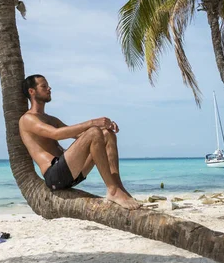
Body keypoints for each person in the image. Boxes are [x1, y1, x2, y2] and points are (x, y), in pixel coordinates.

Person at [19, 74, 141, 210]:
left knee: (107, 135)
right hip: (55, 175)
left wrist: (105, 127)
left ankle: (119, 188)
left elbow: (80, 135)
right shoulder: (27, 119)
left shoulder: (51, 119)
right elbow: (56, 134)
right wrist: (93, 123)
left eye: (48, 86)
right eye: (44, 86)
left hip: (72, 172)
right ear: (32, 91)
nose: (49, 89)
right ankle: (112, 190)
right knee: (94, 132)